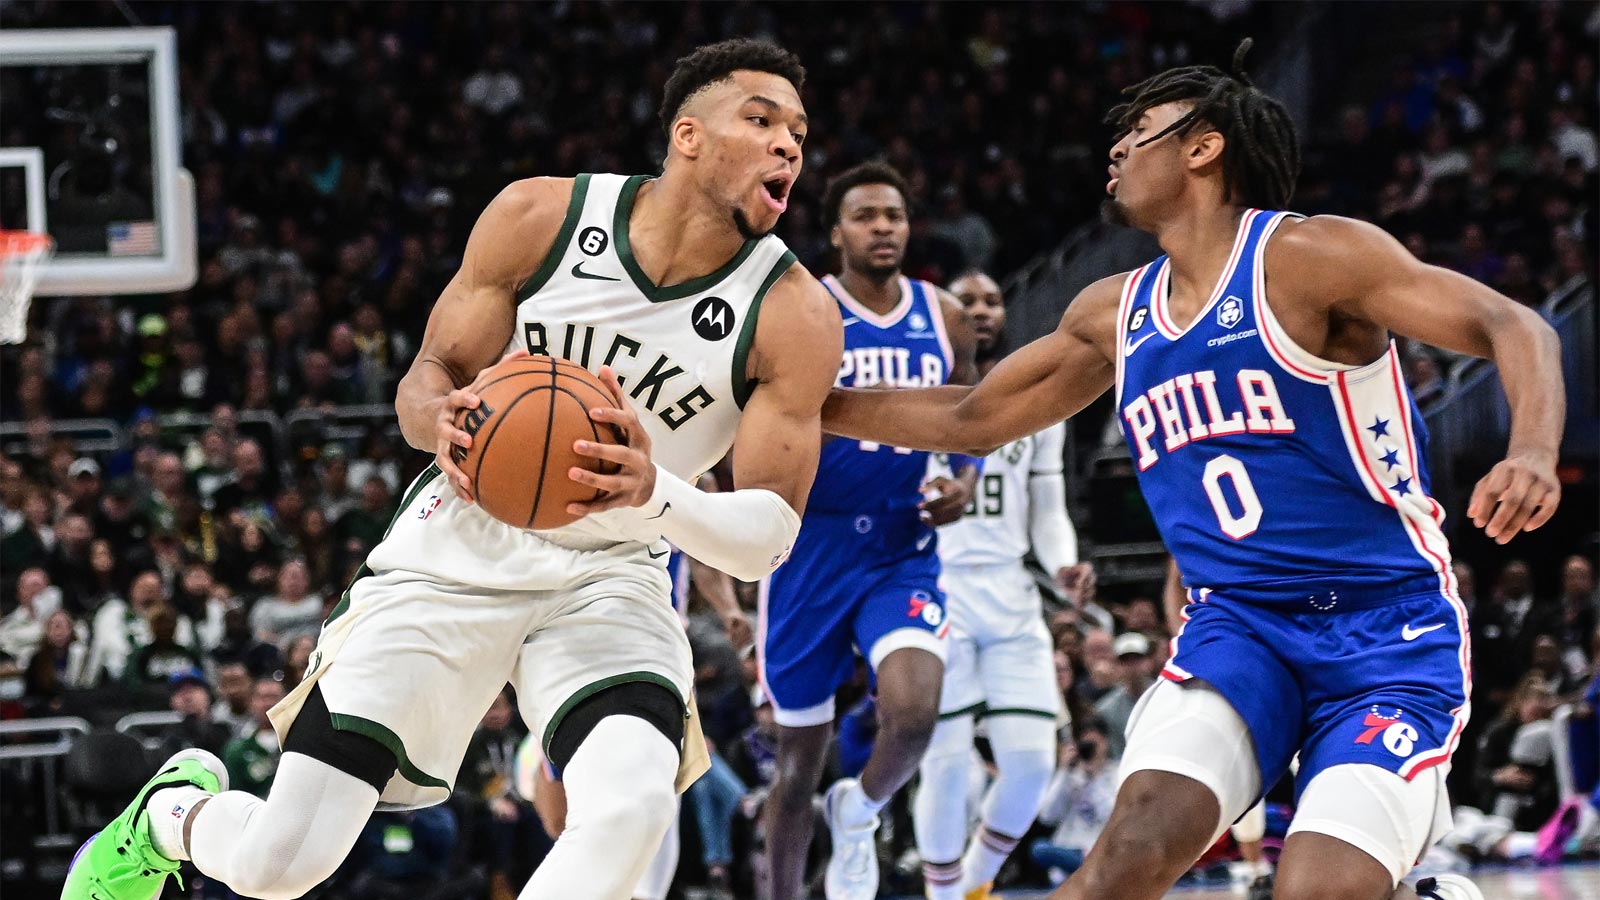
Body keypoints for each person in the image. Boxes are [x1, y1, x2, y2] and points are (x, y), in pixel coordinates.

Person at [66, 38, 843, 900]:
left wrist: (653, 490)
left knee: (632, 807)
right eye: (762, 120)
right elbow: (424, 382)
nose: (788, 144)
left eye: (798, 132)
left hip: (611, 574)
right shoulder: (540, 218)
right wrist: (439, 419)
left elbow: (767, 540)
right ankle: (170, 815)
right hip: (458, 548)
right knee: (277, 868)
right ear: (687, 136)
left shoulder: (794, 312)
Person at [821, 40, 1564, 900]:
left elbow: (1515, 326)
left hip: (1384, 629)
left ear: (1204, 145)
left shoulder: (1311, 258)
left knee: (1316, 892)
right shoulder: (1112, 311)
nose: (1115, 148)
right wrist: (811, 403)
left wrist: (1532, 451)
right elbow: (972, 419)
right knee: (1125, 857)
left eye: (1138, 129)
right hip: (1238, 628)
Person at [760, 161, 978, 900]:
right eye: (865, 216)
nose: (882, 227)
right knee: (796, 766)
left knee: (914, 715)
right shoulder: (801, 308)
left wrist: (962, 480)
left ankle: (859, 810)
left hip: (898, 545)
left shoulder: (944, 315)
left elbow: (970, 412)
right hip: (809, 546)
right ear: (835, 233)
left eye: (894, 215)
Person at [913, 269, 1086, 900]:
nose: (981, 309)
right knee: (946, 765)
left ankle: (974, 885)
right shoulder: (913, 396)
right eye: (966, 300)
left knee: (1034, 763)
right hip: (937, 585)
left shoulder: (1035, 400)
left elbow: (1048, 510)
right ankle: (942, 894)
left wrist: (1064, 565)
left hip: (1011, 590)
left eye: (992, 300)